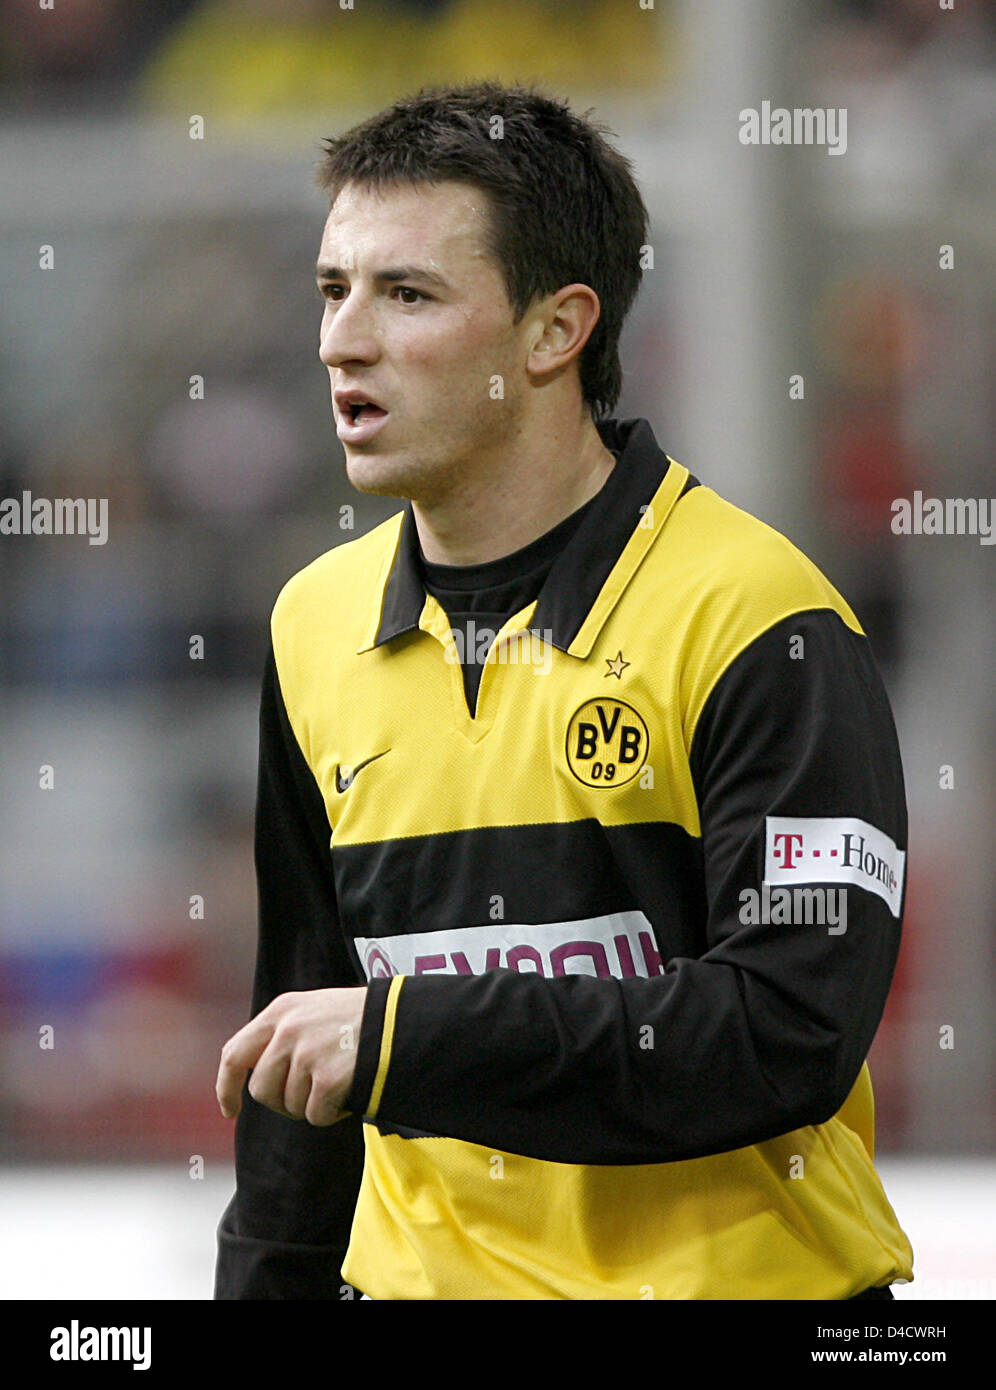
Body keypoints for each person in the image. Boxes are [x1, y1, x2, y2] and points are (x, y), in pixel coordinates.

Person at [214, 82, 914, 1301]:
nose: (341, 341)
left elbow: (786, 1031)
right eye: (334, 290)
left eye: (407, 294)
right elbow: (305, 1052)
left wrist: (407, 1040)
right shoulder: (311, 624)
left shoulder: (762, 618)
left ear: (555, 332)